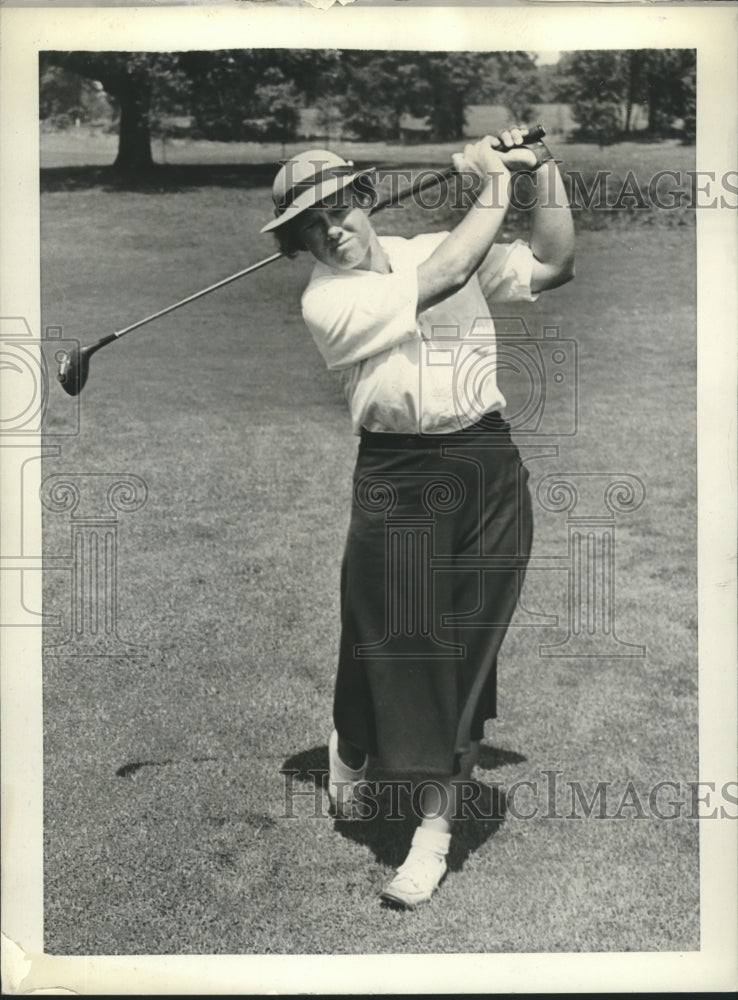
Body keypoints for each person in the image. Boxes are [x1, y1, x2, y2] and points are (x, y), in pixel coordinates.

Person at [262, 128, 575, 908]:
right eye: (312, 224)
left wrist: (539, 171)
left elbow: (553, 263)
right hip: (397, 476)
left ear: (365, 201)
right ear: (300, 243)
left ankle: (430, 839)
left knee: (464, 656)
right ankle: (353, 744)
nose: (332, 229)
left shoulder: (435, 240)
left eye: (339, 208)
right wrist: (488, 182)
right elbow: (445, 273)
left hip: (487, 467)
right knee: (389, 641)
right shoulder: (329, 299)